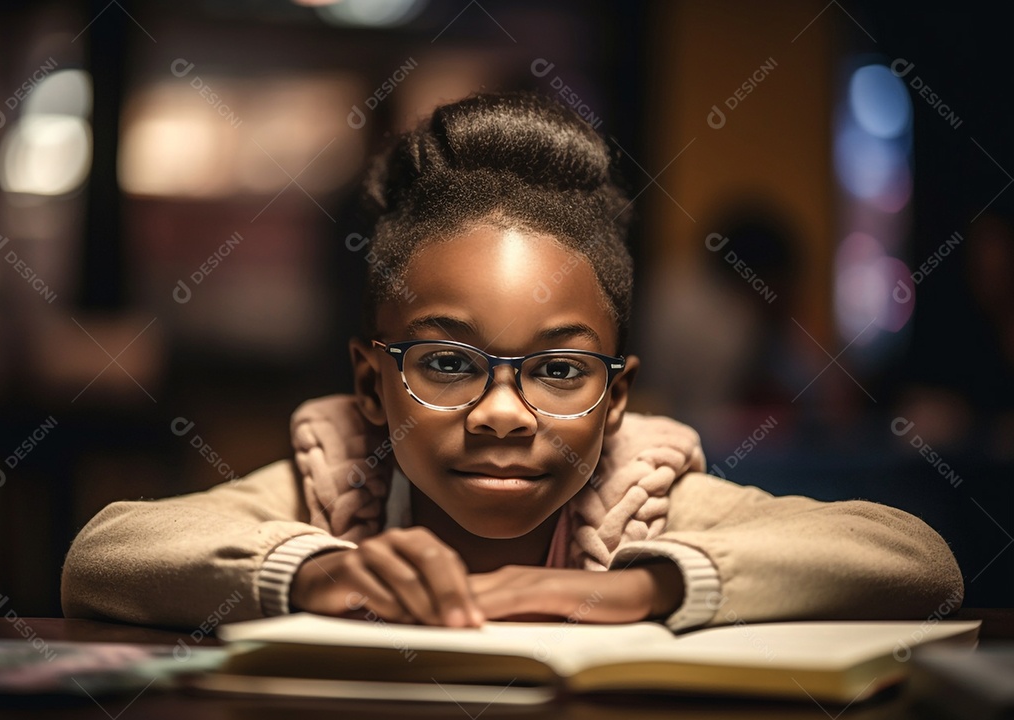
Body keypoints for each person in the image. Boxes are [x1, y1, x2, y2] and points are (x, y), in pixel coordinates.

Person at [61, 91, 962, 632]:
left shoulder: (643, 496)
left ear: (616, 400)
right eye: (448, 364)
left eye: (562, 372)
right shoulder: (334, 484)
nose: (503, 413)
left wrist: (645, 589)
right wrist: (314, 571)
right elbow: (106, 554)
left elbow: (915, 561)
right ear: (372, 385)